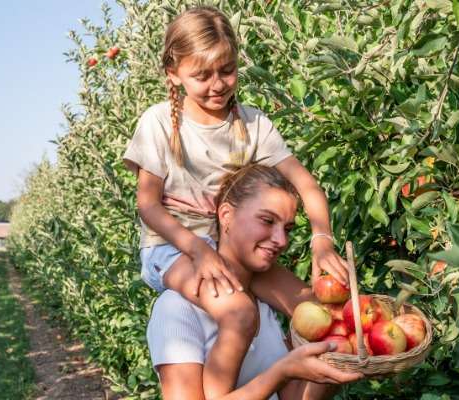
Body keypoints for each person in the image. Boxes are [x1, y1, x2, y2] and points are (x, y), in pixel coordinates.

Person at [122, 6, 350, 397]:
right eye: (202, 75)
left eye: (226, 70)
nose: (217, 84)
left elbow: (307, 186)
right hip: (173, 249)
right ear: (173, 74)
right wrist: (198, 251)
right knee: (239, 312)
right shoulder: (159, 123)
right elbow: (148, 206)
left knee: (319, 313)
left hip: (229, 250)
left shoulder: (253, 123)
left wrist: (321, 239)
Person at [147, 164, 362, 399]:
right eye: (267, 221)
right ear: (226, 215)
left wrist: (341, 354)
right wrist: (281, 372)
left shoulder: (265, 301)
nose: (281, 240)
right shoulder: (176, 309)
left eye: (288, 229)